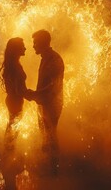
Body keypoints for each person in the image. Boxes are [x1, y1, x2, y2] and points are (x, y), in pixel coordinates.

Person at [26, 29, 64, 174]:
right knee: (46, 136)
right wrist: (36, 96)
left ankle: (53, 172)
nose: (33, 46)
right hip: (44, 103)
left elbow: (53, 87)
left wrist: (35, 94)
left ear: (42, 42)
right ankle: (49, 169)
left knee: (50, 136)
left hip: (51, 105)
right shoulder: (46, 58)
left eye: (35, 43)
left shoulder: (54, 60)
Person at [0, 37, 27, 151]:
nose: (25, 48)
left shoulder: (13, 64)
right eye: (22, 46)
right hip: (15, 102)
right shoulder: (15, 66)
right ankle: (8, 155)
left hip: (13, 100)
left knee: (12, 128)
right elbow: (19, 90)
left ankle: (8, 154)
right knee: (13, 130)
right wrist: (34, 95)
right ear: (16, 49)